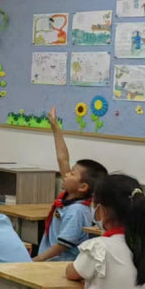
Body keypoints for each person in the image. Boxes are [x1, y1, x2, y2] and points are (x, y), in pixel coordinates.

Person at [35, 106, 107, 262]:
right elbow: (63, 159)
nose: (66, 174)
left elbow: (63, 245)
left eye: (72, 173)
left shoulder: (77, 210)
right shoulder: (69, 196)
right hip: (50, 262)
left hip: (59, 264)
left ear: (83, 187)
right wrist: (55, 127)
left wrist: (37, 260)